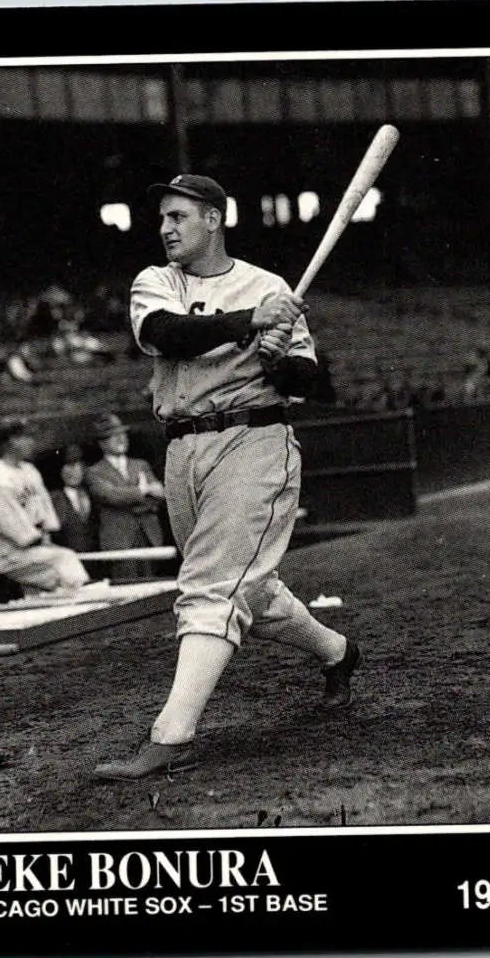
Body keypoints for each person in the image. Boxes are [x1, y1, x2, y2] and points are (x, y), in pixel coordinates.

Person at [94, 173, 359, 780]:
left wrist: (279, 359)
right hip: (183, 449)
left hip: (255, 441)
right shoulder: (156, 282)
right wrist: (249, 322)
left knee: (213, 588)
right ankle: (338, 653)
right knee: (251, 592)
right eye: (163, 218)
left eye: (179, 216)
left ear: (214, 219)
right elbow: (165, 335)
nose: (166, 228)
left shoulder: (269, 286)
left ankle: (171, 736)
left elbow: (313, 383)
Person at [0, 420, 90, 594]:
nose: (32, 442)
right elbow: (16, 530)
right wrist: (41, 542)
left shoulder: (29, 470)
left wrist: (48, 533)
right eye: (27, 437)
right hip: (6, 552)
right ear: (13, 441)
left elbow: (45, 507)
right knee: (65, 561)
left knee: (56, 581)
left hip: (32, 546)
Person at [85, 412, 165, 580]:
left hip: (148, 535)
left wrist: (129, 496)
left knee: (154, 583)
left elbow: (160, 494)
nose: (121, 439)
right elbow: (110, 496)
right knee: (128, 584)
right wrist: (143, 491)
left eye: (122, 434)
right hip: (120, 541)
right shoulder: (94, 472)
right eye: (113, 436)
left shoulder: (140, 465)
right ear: (102, 443)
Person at [50, 444, 99, 554]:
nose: (73, 472)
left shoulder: (93, 494)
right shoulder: (55, 498)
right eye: (68, 466)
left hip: (98, 560)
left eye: (78, 466)